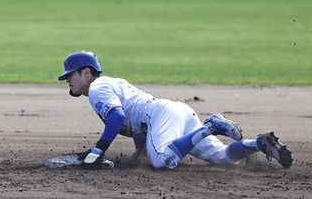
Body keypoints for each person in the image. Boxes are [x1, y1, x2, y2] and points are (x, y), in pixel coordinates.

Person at [58, 50, 293, 169]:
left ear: (86, 72)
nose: (67, 79)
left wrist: (99, 149)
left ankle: (211, 126)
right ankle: (260, 143)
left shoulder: (98, 88)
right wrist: (140, 155)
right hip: (174, 112)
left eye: (70, 74)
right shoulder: (110, 83)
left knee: (162, 162)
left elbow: (118, 116)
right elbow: (137, 124)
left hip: (163, 116)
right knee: (224, 158)